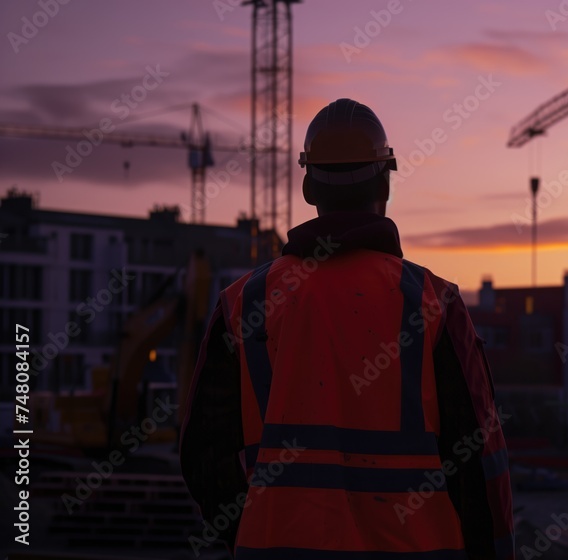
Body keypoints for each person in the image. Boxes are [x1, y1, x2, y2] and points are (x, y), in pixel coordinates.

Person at [180, 99, 514, 560]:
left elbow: (203, 455)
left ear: (307, 186)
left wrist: (256, 528)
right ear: (386, 182)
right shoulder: (433, 303)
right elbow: (481, 467)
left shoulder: (245, 302)